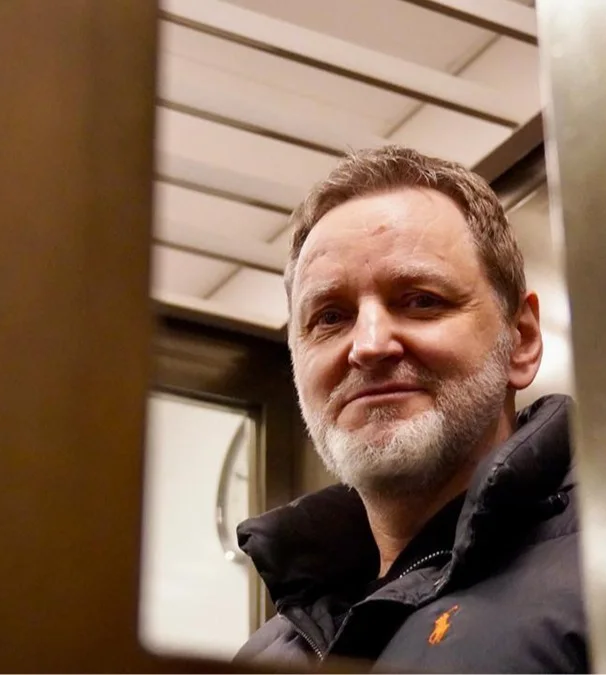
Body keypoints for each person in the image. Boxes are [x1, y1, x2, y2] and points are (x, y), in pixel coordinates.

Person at [234, 145, 586, 673]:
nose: (369, 345)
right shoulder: (265, 656)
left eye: (421, 300)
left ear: (522, 339)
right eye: (330, 317)